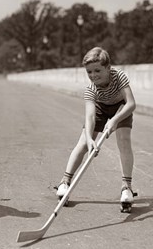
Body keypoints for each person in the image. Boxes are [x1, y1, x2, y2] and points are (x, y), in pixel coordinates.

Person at [56, 46, 136, 209]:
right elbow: (90, 117)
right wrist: (90, 139)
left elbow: (131, 103)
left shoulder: (119, 77)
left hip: (121, 107)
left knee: (123, 140)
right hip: (100, 107)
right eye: (89, 72)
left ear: (108, 67)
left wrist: (114, 120)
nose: (93, 76)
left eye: (97, 70)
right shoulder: (91, 90)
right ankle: (65, 181)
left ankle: (126, 187)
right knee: (83, 143)